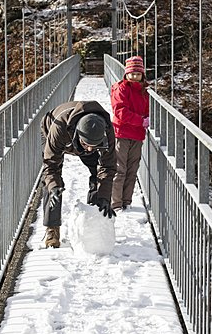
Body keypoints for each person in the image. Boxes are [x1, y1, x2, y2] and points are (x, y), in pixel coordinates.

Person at [40, 100, 117, 248]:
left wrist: (104, 197)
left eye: (94, 146)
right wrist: (53, 186)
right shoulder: (59, 126)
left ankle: (93, 220)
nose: (89, 150)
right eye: (86, 145)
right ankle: (52, 230)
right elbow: (50, 165)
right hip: (54, 132)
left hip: (82, 140)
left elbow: (108, 167)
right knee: (51, 184)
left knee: (98, 175)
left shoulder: (106, 130)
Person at [110, 56, 149, 211]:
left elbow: (147, 111)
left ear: (142, 75)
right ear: (126, 74)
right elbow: (120, 111)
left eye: (138, 74)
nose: (134, 77)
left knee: (132, 170)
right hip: (122, 134)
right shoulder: (121, 89)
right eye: (132, 73)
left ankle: (127, 201)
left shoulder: (145, 92)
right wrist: (141, 121)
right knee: (120, 169)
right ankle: (116, 203)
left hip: (137, 135)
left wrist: (147, 119)